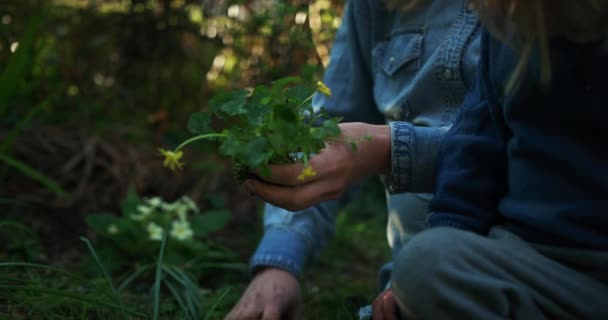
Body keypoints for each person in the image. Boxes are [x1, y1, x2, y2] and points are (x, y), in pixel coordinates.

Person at [225, 0, 481, 318]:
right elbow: (328, 126)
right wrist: (279, 262)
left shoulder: (535, 14)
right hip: (403, 295)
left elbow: (529, 159)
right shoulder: (373, 6)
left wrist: (387, 151)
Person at [385, 0, 608, 318]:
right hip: (529, 263)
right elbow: (474, 152)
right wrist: (447, 232)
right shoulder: (506, 26)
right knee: (424, 264)